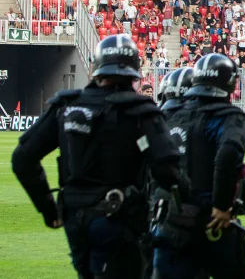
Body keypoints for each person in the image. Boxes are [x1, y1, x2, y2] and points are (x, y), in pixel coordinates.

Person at [12, 33, 183, 279]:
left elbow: (22, 158)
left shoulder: (67, 106)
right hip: (121, 219)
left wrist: (49, 210)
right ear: (134, 71)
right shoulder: (142, 112)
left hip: (74, 218)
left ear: (96, 68)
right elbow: (167, 168)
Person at [152, 52, 245, 279]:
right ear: (229, 83)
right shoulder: (229, 118)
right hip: (214, 223)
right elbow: (228, 154)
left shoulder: (170, 116)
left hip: (171, 221)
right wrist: (221, 204)